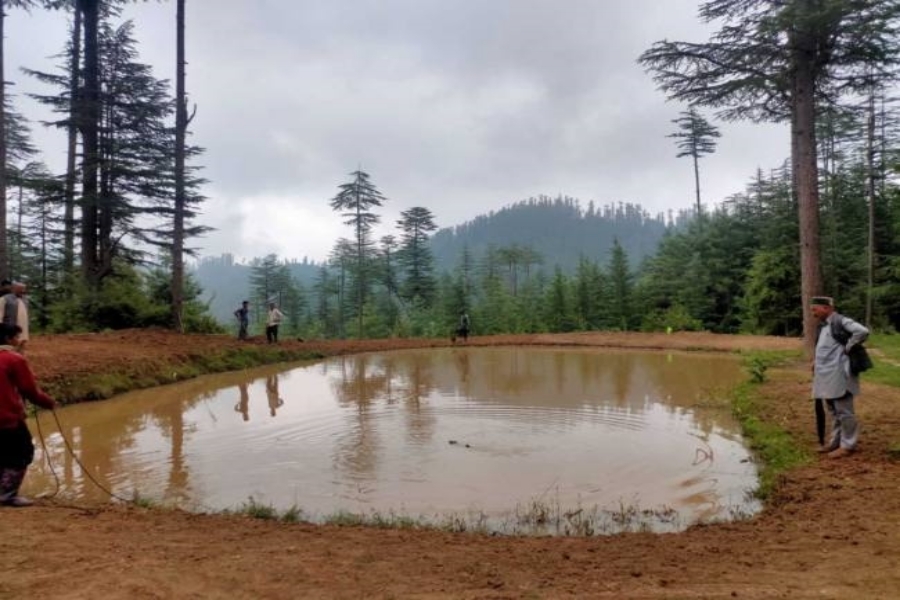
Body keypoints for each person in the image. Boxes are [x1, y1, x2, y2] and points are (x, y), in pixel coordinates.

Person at [0, 323, 56, 507]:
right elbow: (29, 390)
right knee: (22, 453)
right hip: (7, 418)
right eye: (16, 337)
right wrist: (48, 403)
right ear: (8, 339)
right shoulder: (14, 360)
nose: (18, 341)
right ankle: (6, 494)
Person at [811, 296, 869, 458]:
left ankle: (848, 445)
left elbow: (862, 331)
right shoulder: (825, 326)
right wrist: (816, 361)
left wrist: (849, 346)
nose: (813, 313)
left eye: (815, 309)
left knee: (844, 411)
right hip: (827, 375)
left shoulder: (841, 321)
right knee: (834, 411)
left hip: (840, 374)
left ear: (827, 308)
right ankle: (835, 442)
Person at [2, 282, 29, 353]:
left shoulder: (25, 300)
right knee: (9, 345)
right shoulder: (4, 299)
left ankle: (20, 357)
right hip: (10, 327)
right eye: (20, 289)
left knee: (22, 343)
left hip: (23, 326)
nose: (23, 291)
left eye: (24, 289)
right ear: (13, 289)